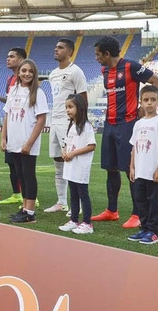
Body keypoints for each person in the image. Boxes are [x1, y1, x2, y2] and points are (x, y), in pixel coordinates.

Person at [92, 36, 158, 228]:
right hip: (110, 124)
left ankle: (136, 214)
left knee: (130, 169)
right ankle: (111, 210)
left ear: (107, 54)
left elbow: (157, 81)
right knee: (110, 168)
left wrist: (143, 107)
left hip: (128, 124)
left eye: (98, 55)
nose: (96, 58)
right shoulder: (104, 70)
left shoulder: (131, 67)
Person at [1, 59, 48, 223]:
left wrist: (29, 142)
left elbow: (41, 119)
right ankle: (25, 207)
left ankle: (30, 211)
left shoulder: (37, 92)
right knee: (20, 174)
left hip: (27, 141)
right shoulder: (13, 90)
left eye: (30, 71)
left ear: (34, 74)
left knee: (28, 175)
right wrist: (3, 138)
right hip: (14, 141)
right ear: (19, 72)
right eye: (24, 70)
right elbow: (7, 115)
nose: (27, 74)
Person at [45, 39, 88, 215]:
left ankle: (75, 204)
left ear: (70, 51)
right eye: (56, 46)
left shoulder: (75, 71)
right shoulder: (53, 73)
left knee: (70, 161)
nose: (56, 49)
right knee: (57, 160)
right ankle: (61, 202)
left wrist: (77, 122)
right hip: (54, 120)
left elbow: (83, 98)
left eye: (60, 47)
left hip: (68, 122)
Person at [127, 85, 158, 245]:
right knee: (141, 200)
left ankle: (154, 231)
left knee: (154, 202)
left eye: (153, 100)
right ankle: (144, 228)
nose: (149, 103)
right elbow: (134, 147)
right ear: (141, 102)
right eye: (146, 100)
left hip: (153, 172)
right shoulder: (138, 124)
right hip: (139, 171)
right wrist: (132, 167)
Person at [0, 47, 28, 206]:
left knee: (24, 164)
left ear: (21, 59)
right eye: (7, 56)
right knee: (11, 162)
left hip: (22, 126)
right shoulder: (10, 79)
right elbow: (10, 105)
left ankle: (30, 197)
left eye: (11, 57)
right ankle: (16, 193)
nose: (7, 59)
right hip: (11, 125)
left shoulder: (26, 79)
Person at [58, 94, 96, 234]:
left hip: (80, 167)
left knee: (83, 194)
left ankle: (87, 223)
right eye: (66, 107)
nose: (68, 110)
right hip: (71, 167)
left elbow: (91, 145)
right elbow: (66, 143)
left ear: (79, 108)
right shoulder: (72, 125)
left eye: (70, 107)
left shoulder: (86, 126)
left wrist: (73, 154)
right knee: (73, 194)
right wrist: (64, 151)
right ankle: (74, 220)